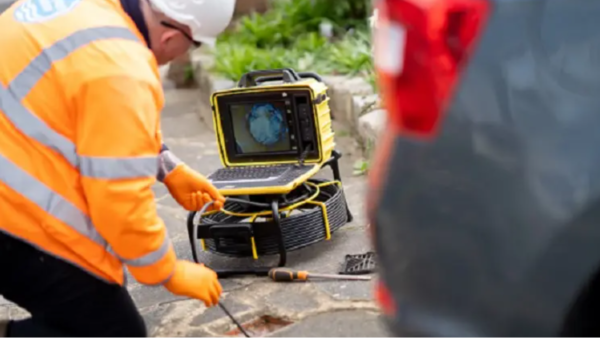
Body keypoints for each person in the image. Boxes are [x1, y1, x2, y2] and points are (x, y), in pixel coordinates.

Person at [0, 0, 236, 336]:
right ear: (173, 36)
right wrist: (169, 271)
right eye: (195, 45)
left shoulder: (91, 10)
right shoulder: (122, 64)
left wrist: (167, 167)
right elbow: (120, 203)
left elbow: (87, 112)